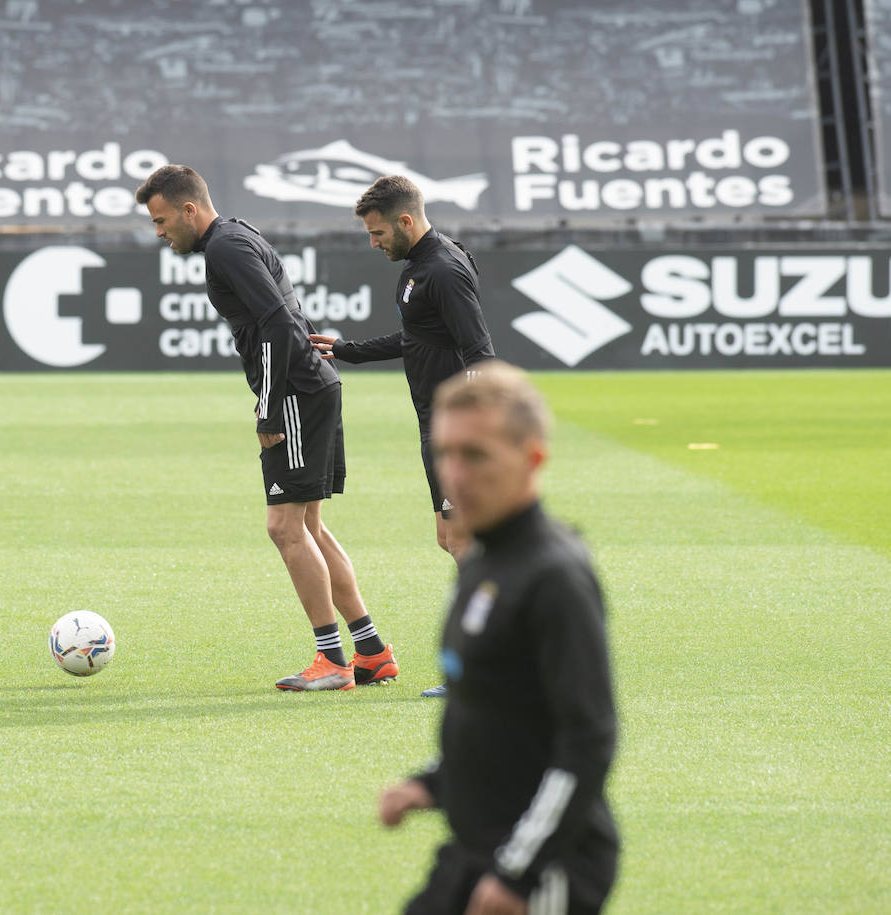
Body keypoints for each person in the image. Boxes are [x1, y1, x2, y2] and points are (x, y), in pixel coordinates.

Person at [135, 164, 397, 691]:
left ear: (190, 209)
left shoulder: (226, 248)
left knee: (284, 528)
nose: (159, 232)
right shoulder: (237, 234)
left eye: (162, 221)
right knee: (309, 527)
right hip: (312, 386)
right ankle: (370, 652)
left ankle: (332, 661)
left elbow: (278, 322)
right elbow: (282, 318)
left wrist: (270, 405)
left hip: (297, 393)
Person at [378, 361, 619, 915]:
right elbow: (496, 712)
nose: (454, 476)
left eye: (476, 455)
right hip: (475, 846)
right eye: (445, 453)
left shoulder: (554, 575)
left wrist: (518, 876)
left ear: (533, 458)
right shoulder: (482, 556)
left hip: (548, 864)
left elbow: (588, 740)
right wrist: (432, 784)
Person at [309, 175, 494, 697]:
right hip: (436, 423)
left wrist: (471, 429)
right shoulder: (421, 268)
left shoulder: (443, 269)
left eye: (377, 233)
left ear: (405, 221)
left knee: (463, 542)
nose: (374, 243)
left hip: (453, 427)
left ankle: (487, 671)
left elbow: (479, 352)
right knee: (455, 540)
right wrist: (346, 349)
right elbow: (417, 340)